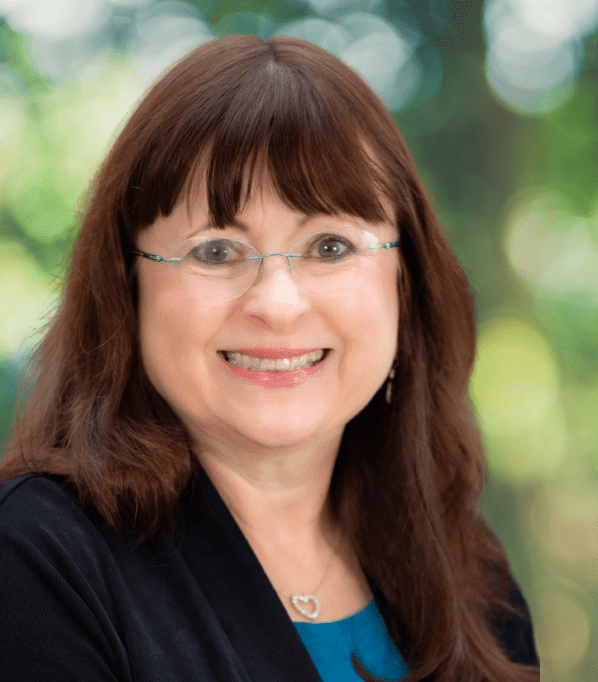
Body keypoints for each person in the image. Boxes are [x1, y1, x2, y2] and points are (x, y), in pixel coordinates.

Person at [0, 34, 539, 682]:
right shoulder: (34, 560)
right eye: (217, 251)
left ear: (406, 280)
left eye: (331, 246)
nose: (277, 304)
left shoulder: (471, 572)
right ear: (126, 287)